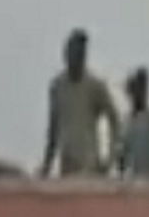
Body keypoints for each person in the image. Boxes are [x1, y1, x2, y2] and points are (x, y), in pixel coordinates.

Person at [43, 28, 120, 177]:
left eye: (81, 54)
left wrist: (109, 158)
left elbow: (114, 120)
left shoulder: (95, 86)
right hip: (67, 166)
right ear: (65, 55)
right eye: (73, 53)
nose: (77, 57)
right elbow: (53, 130)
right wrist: (46, 166)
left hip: (90, 167)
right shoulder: (57, 87)